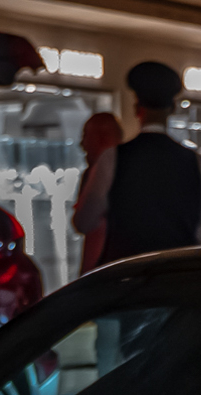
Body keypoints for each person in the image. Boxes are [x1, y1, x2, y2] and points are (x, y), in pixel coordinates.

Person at [74, 61, 201, 265]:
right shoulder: (195, 161)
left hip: (126, 278)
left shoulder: (114, 157)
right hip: (177, 275)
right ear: (173, 108)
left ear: (137, 108)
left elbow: (84, 221)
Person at [74, 110, 124, 273]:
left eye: (86, 136)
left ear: (102, 138)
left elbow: (83, 221)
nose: (82, 144)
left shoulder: (103, 172)